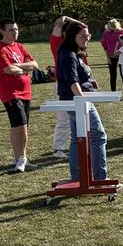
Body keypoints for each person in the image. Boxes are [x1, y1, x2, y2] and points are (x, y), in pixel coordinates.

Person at [55, 19, 108, 182]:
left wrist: (93, 88)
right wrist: (83, 100)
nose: (87, 38)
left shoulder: (73, 51)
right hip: (76, 101)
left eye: (88, 35)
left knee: (77, 137)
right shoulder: (68, 54)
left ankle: (78, 178)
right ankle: (99, 179)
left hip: (75, 100)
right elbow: (72, 81)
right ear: (72, 36)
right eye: (83, 36)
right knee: (99, 136)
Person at [0, 19, 40, 172]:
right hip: (10, 93)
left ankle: (22, 158)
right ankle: (20, 159)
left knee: (23, 127)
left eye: (16, 29)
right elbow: (8, 70)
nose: (15, 32)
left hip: (26, 91)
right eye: (11, 30)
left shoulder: (19, 46)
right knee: (19, 125)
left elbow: (35, 65)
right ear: (2, 31)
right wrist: (24, 68)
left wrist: (19, 67)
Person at [50, 14, 77, 159]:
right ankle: (59, 149)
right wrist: (63, 18)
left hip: (78, 85)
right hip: (63, 86)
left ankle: (78, 145)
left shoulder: (78, 45)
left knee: (80, 118)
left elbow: (84, 27)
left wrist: (68, 18)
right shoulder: (58, 44)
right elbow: (58, 26)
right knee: (64, 119)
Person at [100, 18, 123, 91]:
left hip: (121, 55)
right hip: (111, 55)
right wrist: (107, 57)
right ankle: (113, 91)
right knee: (113, 75)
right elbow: (104, 45)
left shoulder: (121, 31)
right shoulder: (106, 33)